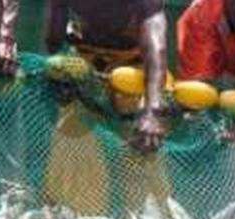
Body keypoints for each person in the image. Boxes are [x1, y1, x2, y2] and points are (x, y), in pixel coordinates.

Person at [45, 0, 168, 153]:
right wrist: (60, 76)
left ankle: (136, 165)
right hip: (85, 61)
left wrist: (152, 111)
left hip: (132, 66)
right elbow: (53, 40)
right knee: (70, 127)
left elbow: (156, 49)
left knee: (138, 129)